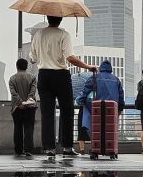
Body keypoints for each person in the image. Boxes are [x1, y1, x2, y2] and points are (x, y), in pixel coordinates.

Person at [29, 15, 96, 161]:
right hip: (61, 75)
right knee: (67, 111)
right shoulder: (64, 34)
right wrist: (88, 66)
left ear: (47, 17)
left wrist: (44, 55)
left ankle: (49, 149)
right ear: (60, 19)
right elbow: (70, 58)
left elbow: (32, 58)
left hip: (44, 75)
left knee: (47, 113)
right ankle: (67, 147)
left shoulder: (39, 34)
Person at [79, 59, 125, 154]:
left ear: (101, 68)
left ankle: (96, 148)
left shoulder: (95, 77)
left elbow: (86, 91)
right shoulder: (116, 79)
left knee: (96, 127)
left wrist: (81, 100)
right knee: (110, 128)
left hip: (97, 108)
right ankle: (110, 148)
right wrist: (120, 109)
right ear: (110, 69)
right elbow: (121, 95)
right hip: (112, 109)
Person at [9, 58, 37, 158]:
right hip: (30, 107)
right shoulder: (32, 77)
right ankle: (28, 150)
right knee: (29, 129)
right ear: (26, 66)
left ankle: (18, 150)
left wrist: (20, 103)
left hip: (16, 107)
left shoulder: (12, 79)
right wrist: (27, 102)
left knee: (17, 128)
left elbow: (13, 93)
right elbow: (32, 92)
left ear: (17, 67)